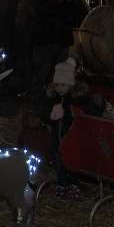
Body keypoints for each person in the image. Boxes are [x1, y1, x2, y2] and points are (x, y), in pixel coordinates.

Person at [41, 58, 105, 200]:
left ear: (70, 84)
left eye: (63, 84)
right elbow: (43, 115)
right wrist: (50, 116)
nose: (59, 88)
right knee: (60, 164)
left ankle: (75, 185)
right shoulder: (52, 99)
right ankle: (62, 186)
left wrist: (66, 115)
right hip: (57, 140)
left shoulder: (76, 99)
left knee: (72, 162)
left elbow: (81, 116)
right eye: (57, 84)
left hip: (72, 139)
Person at [29, 0, 77, 108]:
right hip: (45, 41)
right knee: (42, 72)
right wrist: (57, 0)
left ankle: (58, 102)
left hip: (61, 40)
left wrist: (70, 1)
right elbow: (39, 13)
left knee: (60, 74)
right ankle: (37, 102)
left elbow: (72, 14)